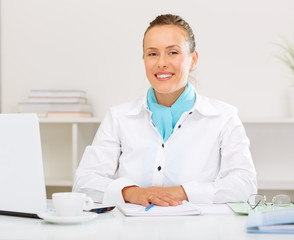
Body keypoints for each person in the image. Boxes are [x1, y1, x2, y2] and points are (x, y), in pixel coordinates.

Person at [73, 14, 257, 207]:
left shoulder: (224, 117)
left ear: (193, 59)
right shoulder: (119, 117)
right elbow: (84, 182)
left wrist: (181, 193)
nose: (161, 62)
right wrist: (132, 193)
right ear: (144, 58)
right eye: (152, 53)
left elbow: (245, 184)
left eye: (173, 52)